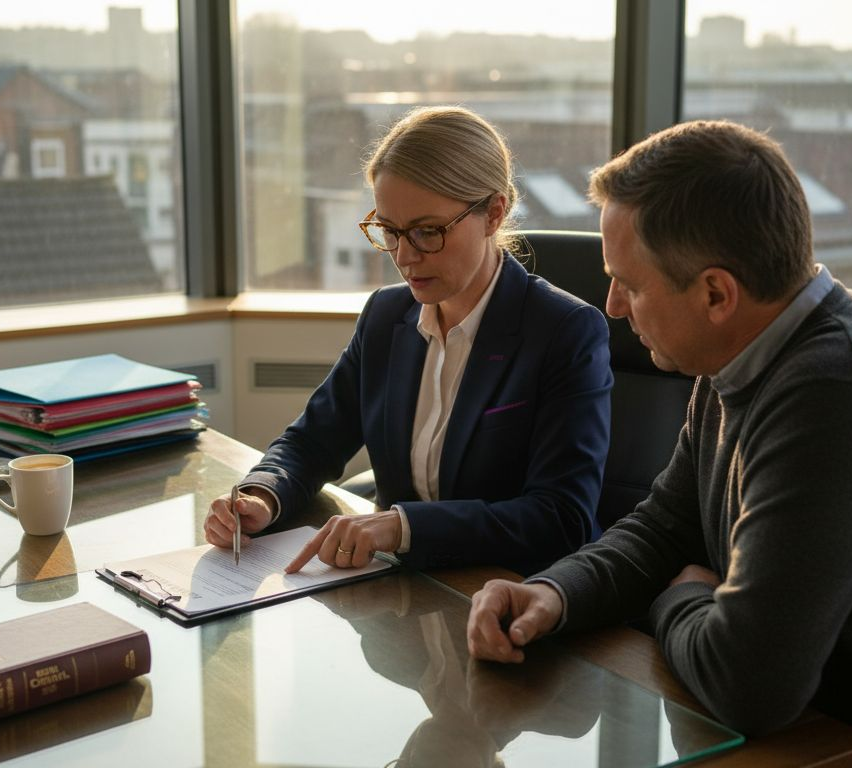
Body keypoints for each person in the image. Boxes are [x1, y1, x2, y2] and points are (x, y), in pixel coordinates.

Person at [466, 120, 852, 761]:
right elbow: (666, 529)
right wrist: (553, 593)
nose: (612, 307)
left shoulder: (836, 393)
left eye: (630, 285)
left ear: (717, 293)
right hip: (829, 736)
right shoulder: (741, 355)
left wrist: (680, 595)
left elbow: (747, 685)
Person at [203, 106, 612, 574]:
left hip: (512, 593)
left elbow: (562, 518)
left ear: (494, 213)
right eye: (390, 231)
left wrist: (400, 527)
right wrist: (262, 494)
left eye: (427, 231)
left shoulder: (566, 332)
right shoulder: (386, 316)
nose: (404, 256)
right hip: (398, 590)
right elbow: (311, 441)